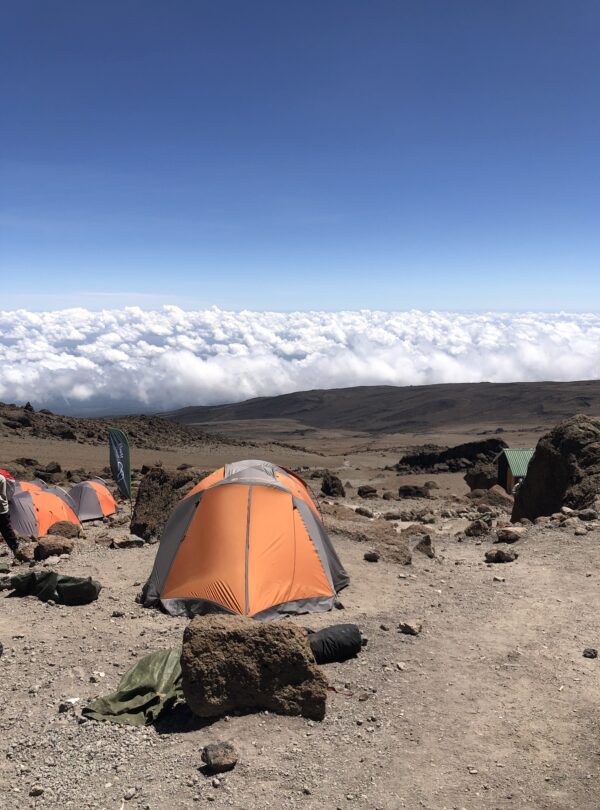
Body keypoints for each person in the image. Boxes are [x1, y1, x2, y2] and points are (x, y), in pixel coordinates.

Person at [0, 469, 19, 557]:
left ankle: (15, 550)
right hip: (2, 508)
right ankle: (15, 549)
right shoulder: (1, 478)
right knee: (7, 530)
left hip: (1, 509)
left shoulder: (1, 478)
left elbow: (2, 495)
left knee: (6, 530)